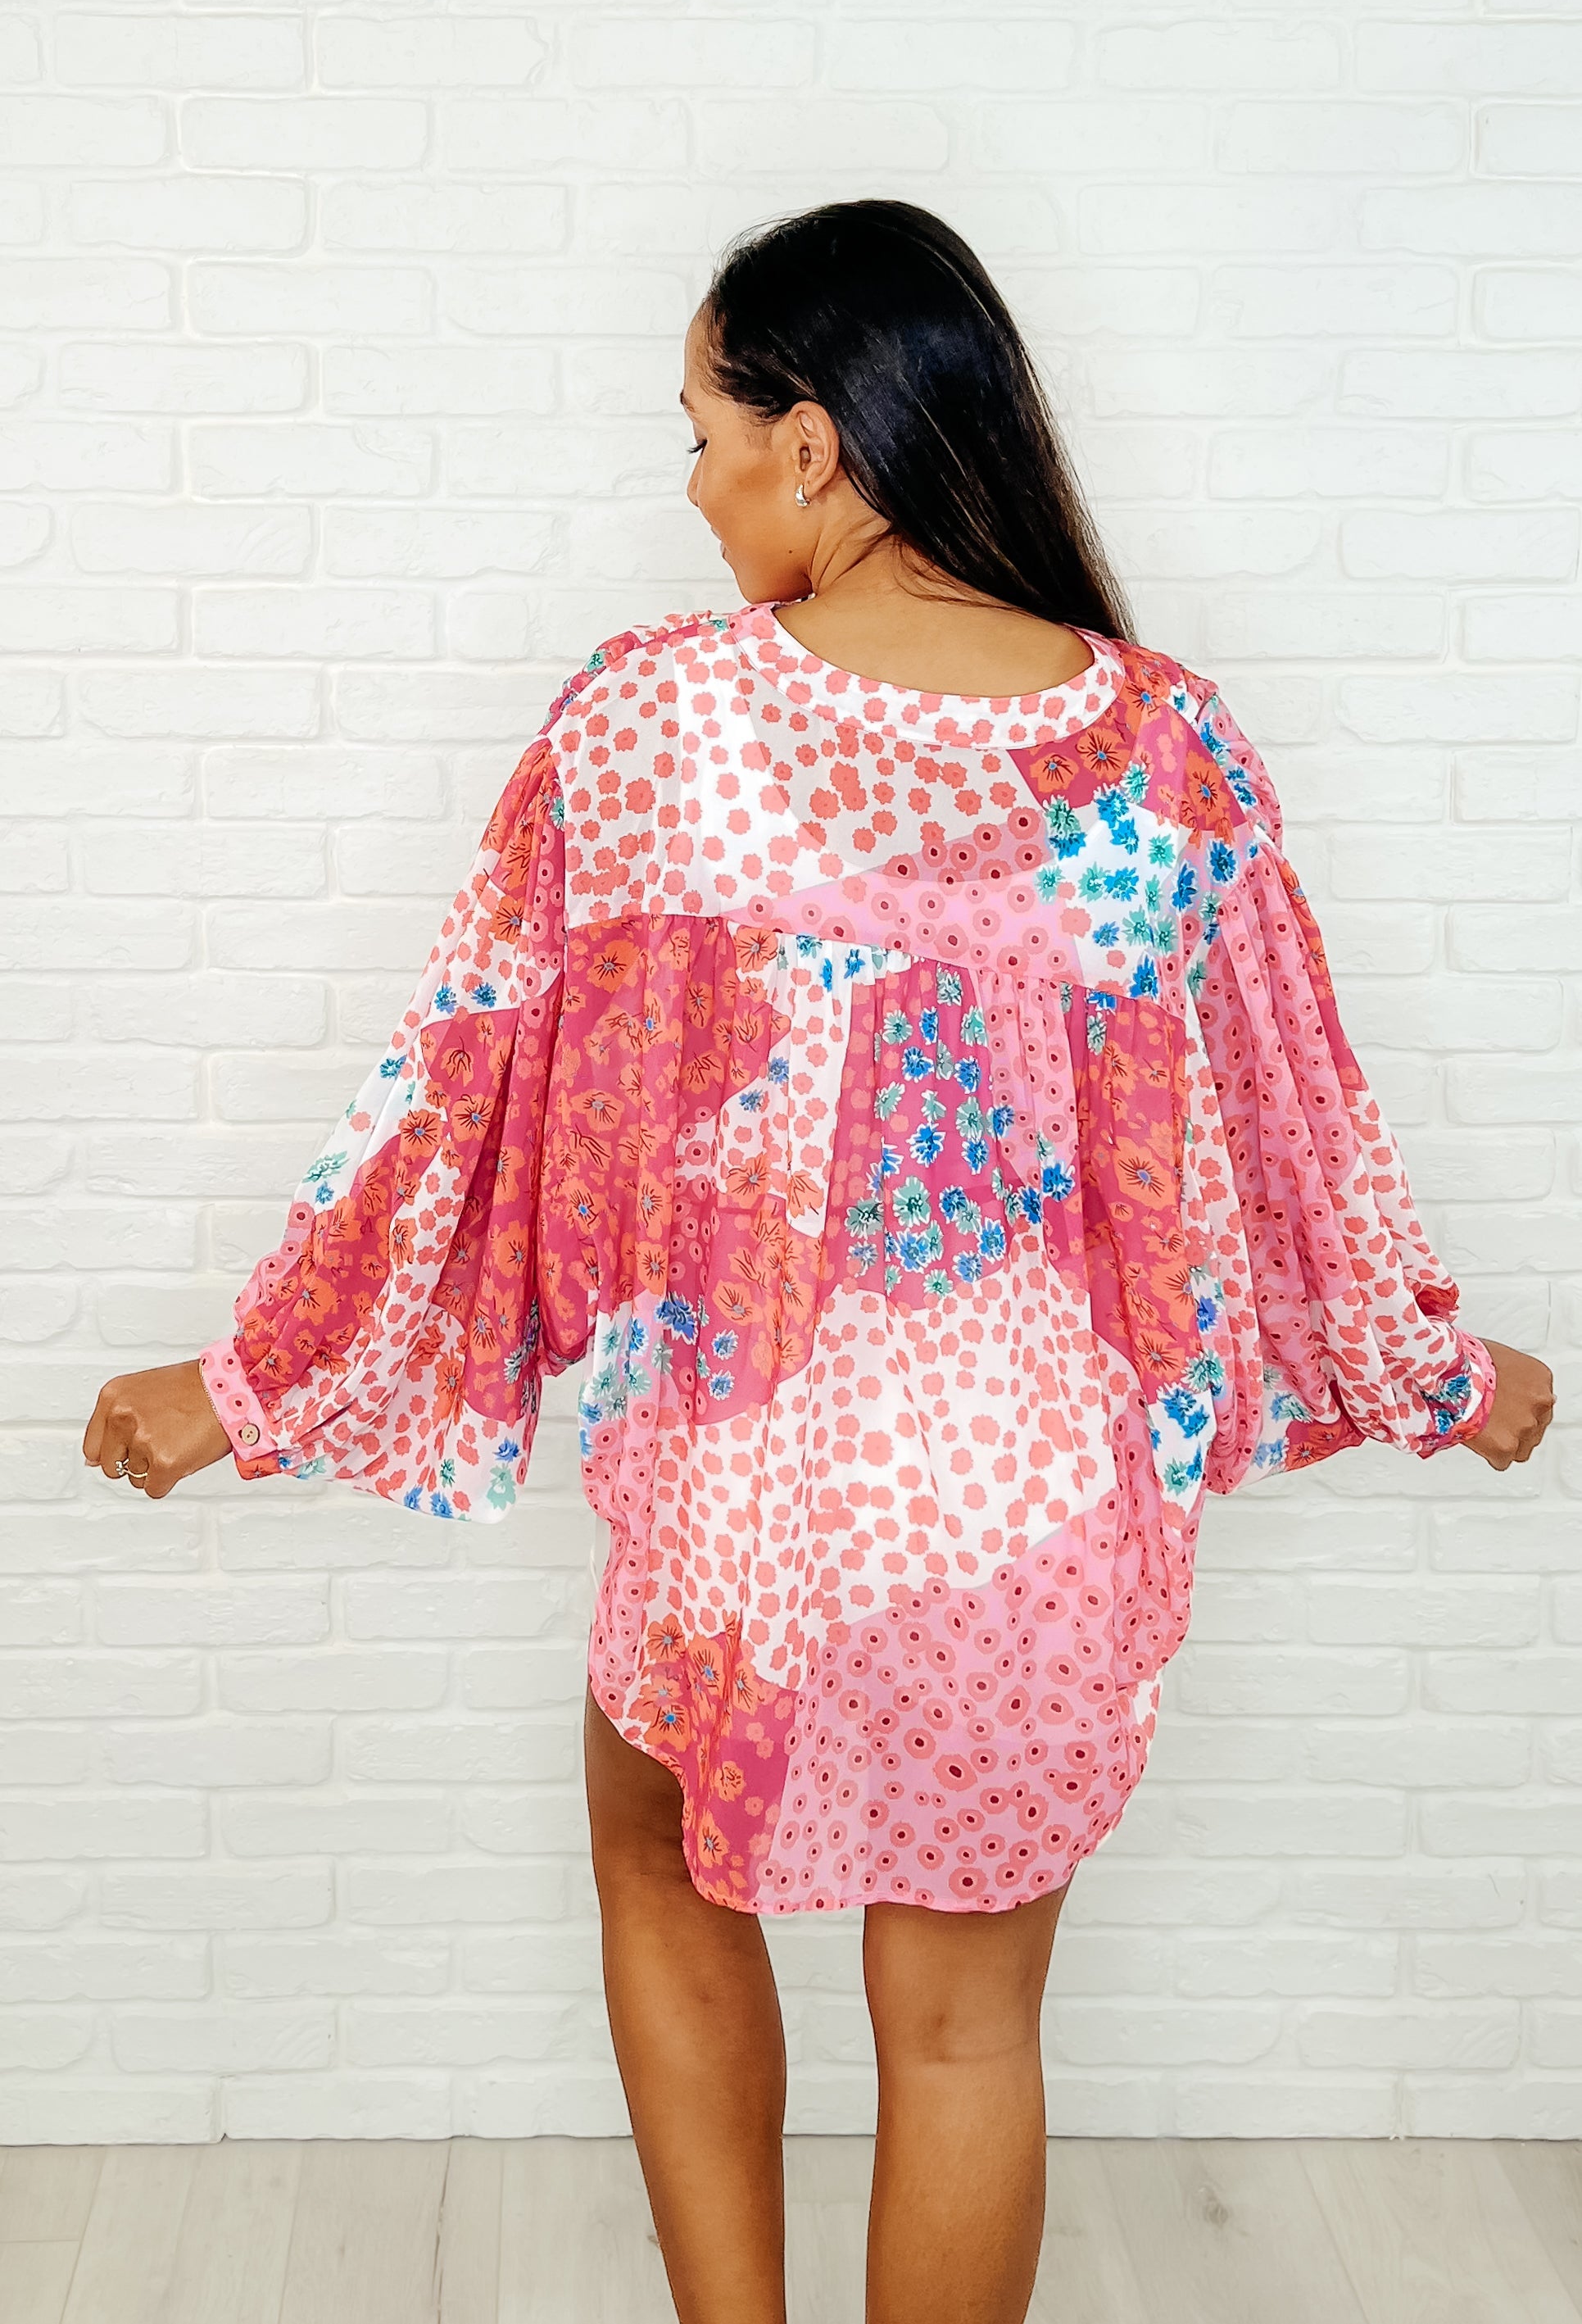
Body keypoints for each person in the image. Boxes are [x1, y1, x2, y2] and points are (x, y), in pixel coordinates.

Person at [81, 199, 1555, 2324]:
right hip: (1032, 1510)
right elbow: (1287, 1120)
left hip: (744, 1489)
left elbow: (472, 1083)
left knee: (652, 1857)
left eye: (701, 433)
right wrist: (1438, 1372)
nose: (691, 489)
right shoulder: (1163, 746)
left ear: (814, 442)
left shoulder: (657, 725)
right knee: (965, 2034)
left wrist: (249, 1387)